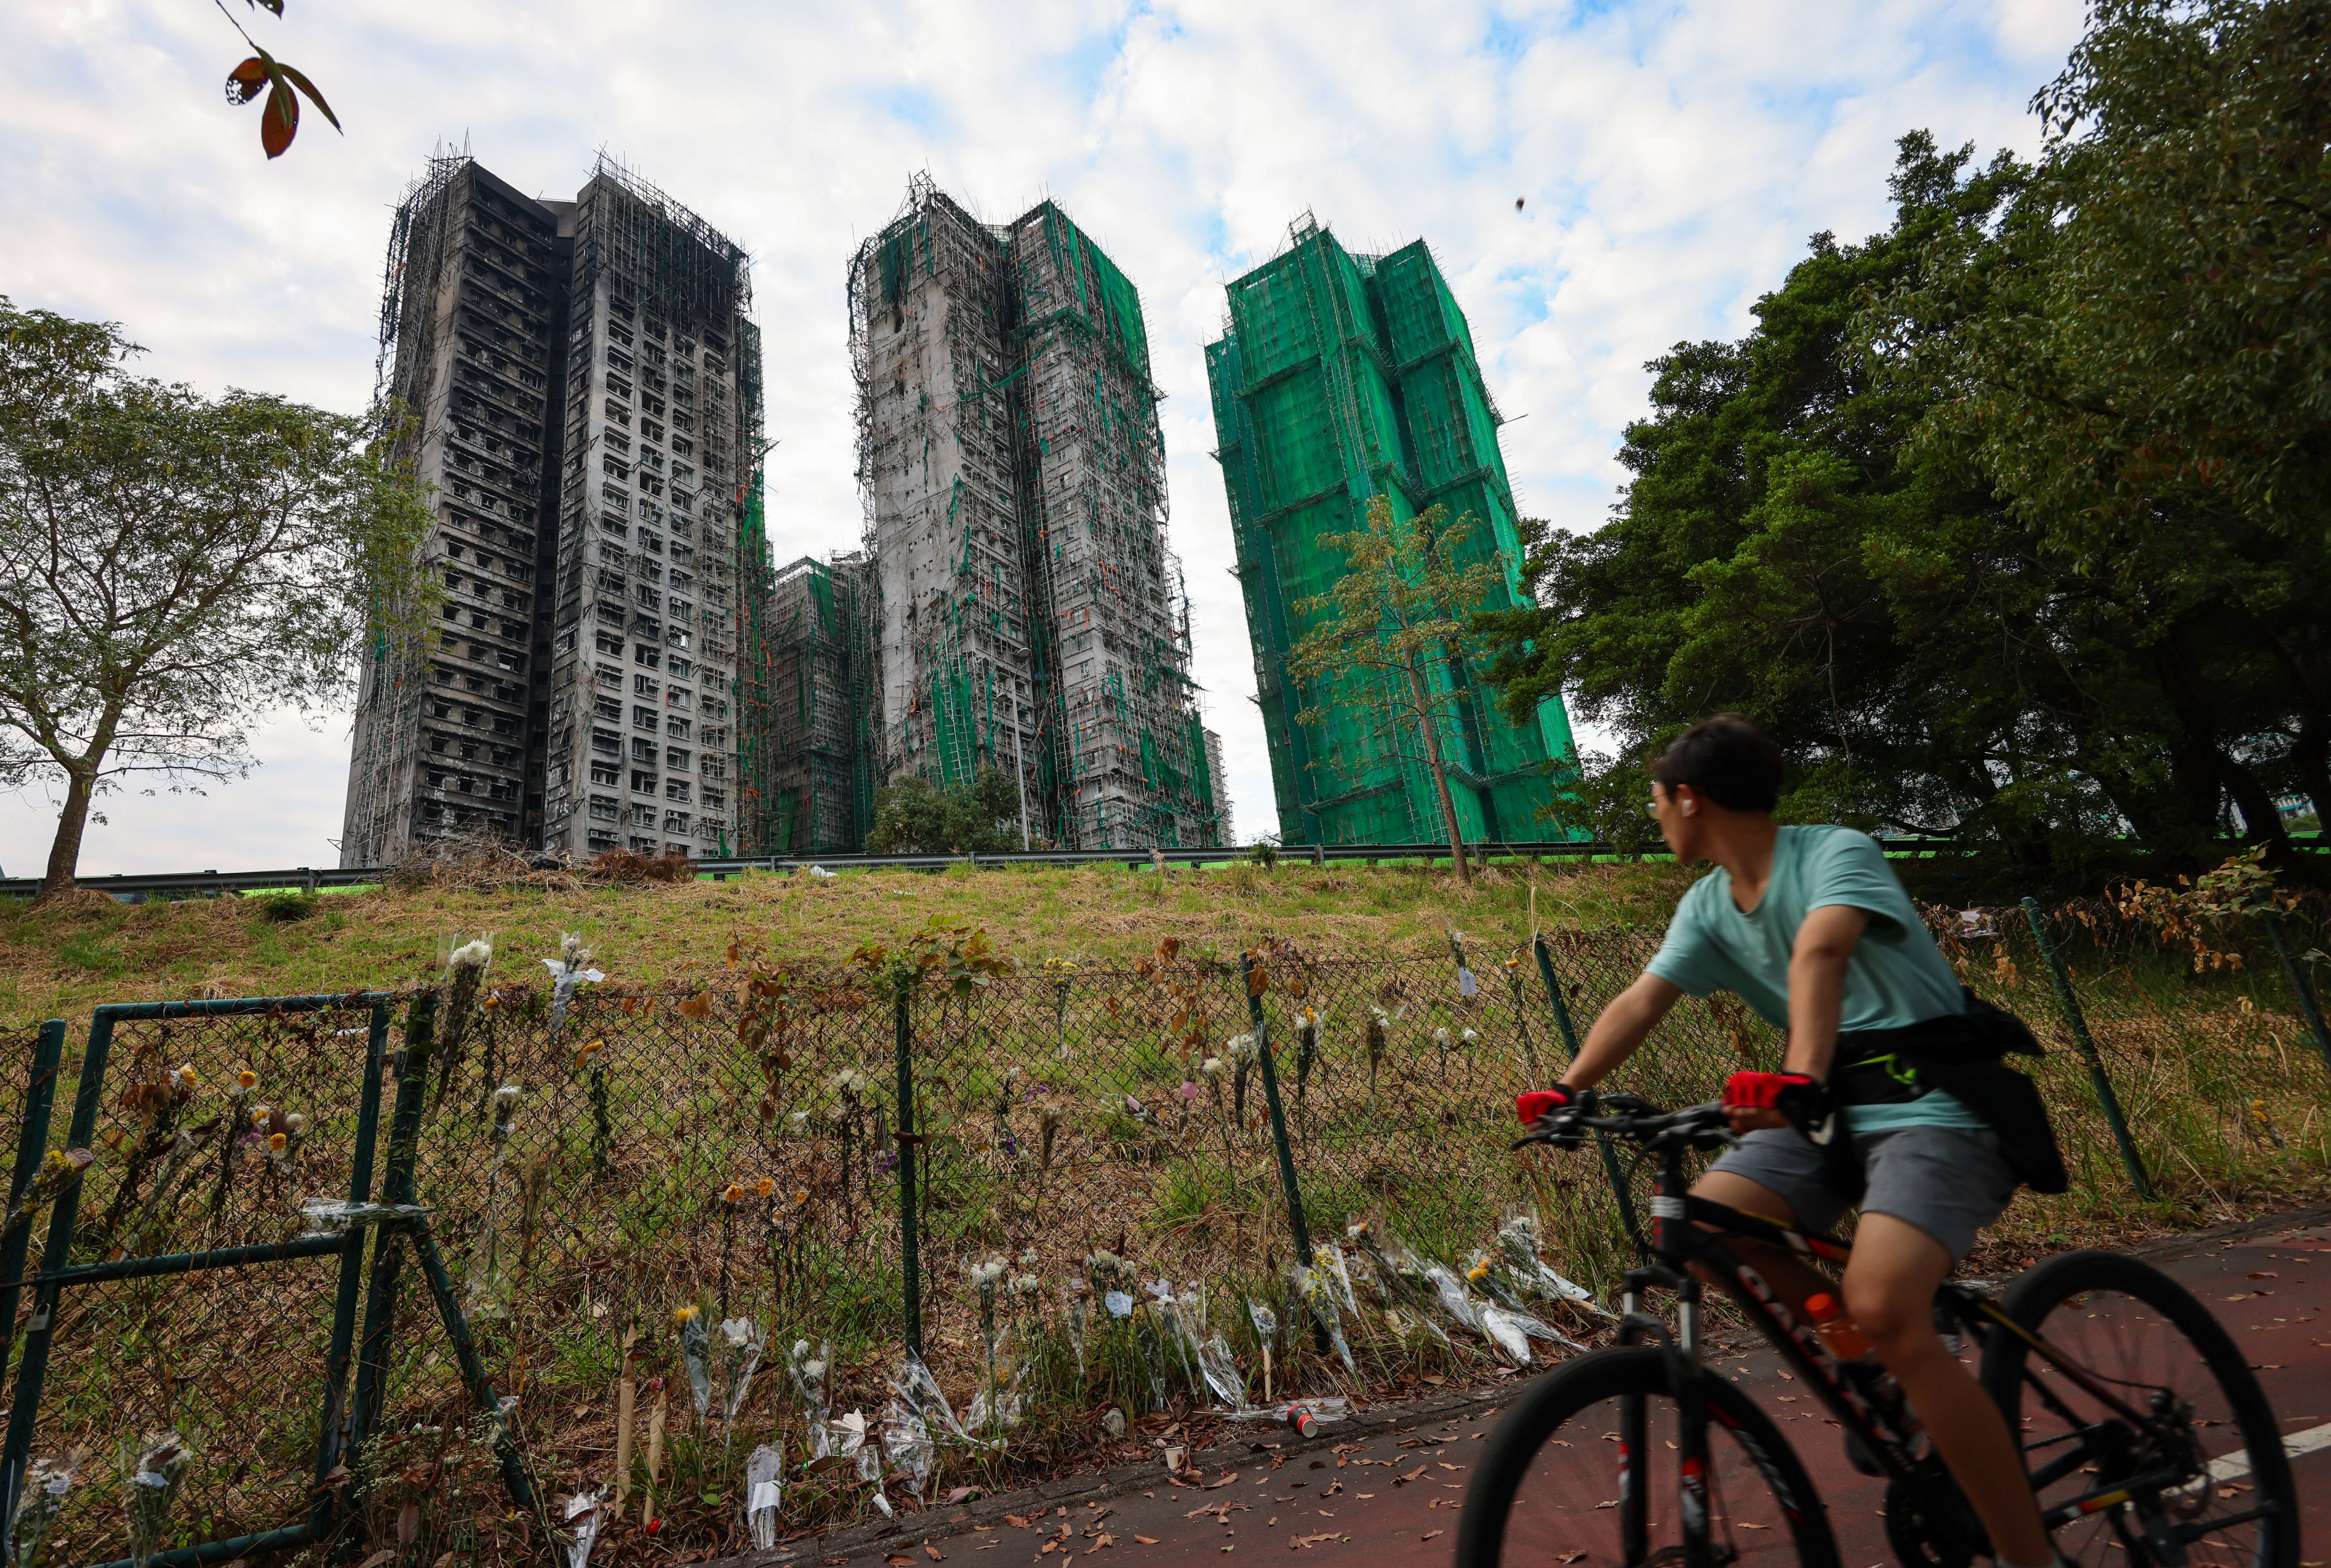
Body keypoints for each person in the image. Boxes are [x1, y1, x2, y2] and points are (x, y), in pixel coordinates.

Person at [1515, 715, 2066, 1568]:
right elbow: (1642, 999)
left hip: (1934, 1101)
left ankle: (2031, 1557)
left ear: (1689, 799)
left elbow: (1821, 951)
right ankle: (1867, 1369)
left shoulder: (1835, 852)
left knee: (1888, 1306)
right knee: (1707, 1230)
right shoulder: (1706, 904)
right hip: (1822, 1108)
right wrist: (1568, 1088)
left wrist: (1799, 1074)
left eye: (1658, 801)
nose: (1658, 817)